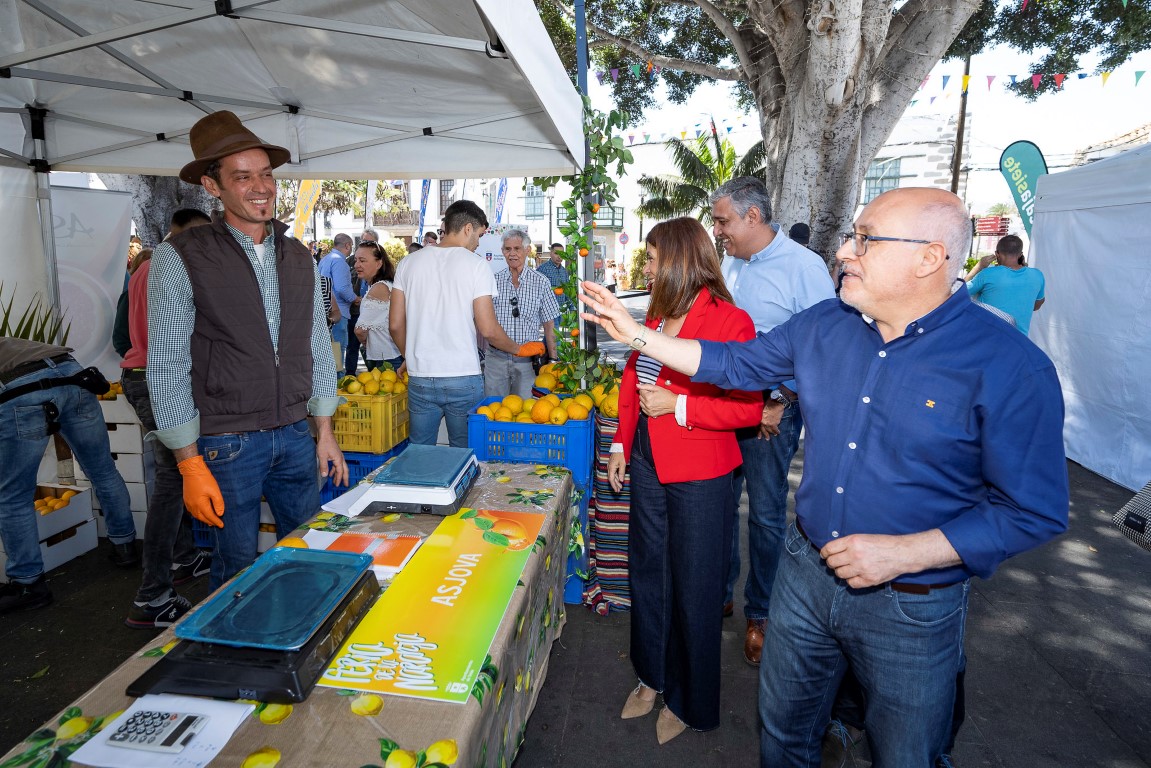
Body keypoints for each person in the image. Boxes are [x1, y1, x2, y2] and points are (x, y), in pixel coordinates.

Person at [579, 187, 1070, 767]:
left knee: (906, 754)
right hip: (805, 575)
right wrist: (633, 331)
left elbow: (1032, 508)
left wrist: (906, 554)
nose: (842, 250)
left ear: (929, 258)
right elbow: (734, 364)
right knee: (785, 735)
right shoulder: (826, 324)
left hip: (911, 602)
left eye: (865, 239)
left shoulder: (1008, 363)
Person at [149, 110, 347, 591]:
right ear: (212, 186)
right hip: (226, 441)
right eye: (243, 177)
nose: (261, 187)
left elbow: (316, 344)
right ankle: (239, 660)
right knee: (235, 570)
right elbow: (167, 363)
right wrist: (189, 461)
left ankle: (302, 642)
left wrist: (324, 430)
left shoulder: (299, 254)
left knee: (309, 550)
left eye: (266, 174)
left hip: (296, 434)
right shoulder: (180, 256)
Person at [609, 217, 762, 745]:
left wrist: (679, 407)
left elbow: (748, 409)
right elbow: (633, 379)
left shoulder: (731, 321)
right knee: (648, 572)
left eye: (652, 259)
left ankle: (689, 698)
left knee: (695, 587)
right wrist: (618, 443)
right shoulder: (655, 315)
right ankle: (651, 677)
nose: (645, 268)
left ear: (677, 260)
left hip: (702, 473)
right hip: (648, 461)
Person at [711, 177, 835, 665]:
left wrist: (781, 399)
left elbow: (822, 343)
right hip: (724, 402)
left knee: (763, 514)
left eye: (723, 221)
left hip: (771, 408)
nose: (718, 230)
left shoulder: (804, 267)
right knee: (719, 503)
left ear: (753, 217)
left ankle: (759, 611)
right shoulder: (730, 262)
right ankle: (721, 590)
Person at [120, 210, 212, 629]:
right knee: (173, 483)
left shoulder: (146, 267)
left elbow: (122, 334)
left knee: (171, 480)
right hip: (158, 381)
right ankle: (152, 595)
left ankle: (184, 556)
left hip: (138, 375)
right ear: (193, 233)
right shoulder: (175, 267)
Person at [0, 339, 140, 614]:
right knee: (102, 469)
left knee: (13, 497)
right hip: (73, 376)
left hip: (23, 393)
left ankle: (28, 584)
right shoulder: (11, 342)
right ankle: (125, 546)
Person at [390, 200, 543, 447]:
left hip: (420, 375)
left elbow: (395, 324)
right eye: (480, 235)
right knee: (463, 452)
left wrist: (409, 355)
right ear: (468, 229)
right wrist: (519, 349)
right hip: (462, 375)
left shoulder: (409, 263)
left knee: (420, 452)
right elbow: (488, 329)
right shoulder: (476, 265)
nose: (479, 243)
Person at [485, 230, 560, 399]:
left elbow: (550, 325)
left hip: (528, 362)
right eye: (507, 249)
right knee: (493, 412)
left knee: (527, 413)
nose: (512, 254)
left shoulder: (541, 282)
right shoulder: (493, 281)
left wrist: (553, 360)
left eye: (517, 248)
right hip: (495, 360)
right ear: (502, 251)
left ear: (527, 250)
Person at [964, 234, 1046, 335]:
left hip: (985, 338)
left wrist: (978, 266)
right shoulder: (1037, 275)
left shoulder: (988, 273)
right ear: (1020, 254)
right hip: (1018, 341)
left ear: (997, 254)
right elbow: (1036, 306)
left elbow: (958, 292)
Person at [353, 241, 404, 371]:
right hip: (392, 356)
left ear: (379, 263)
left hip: (388, 358)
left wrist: (366, 343)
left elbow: (359, 330)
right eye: (356, 260)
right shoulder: (386, 285)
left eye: (362, 260)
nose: (357, 265)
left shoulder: (379, 287)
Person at [320, 233, 358, 376]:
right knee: (338, 356)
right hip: (339, 313)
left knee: (330, 354)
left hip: (326, 313)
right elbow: (342, 288)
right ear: (347, 245)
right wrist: (355, 298)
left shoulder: (325, 259)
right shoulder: (340, 262)